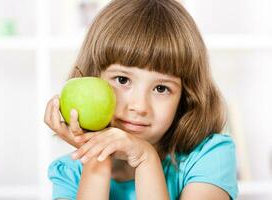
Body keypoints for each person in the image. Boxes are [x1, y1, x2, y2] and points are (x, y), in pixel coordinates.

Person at [44, 0, 238, 199]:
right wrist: (97, 156)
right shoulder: (68, 172)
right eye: (122, 79)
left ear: (186, 96)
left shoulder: (211, 156)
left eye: (161, 88)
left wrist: (146, 158)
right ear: (93, 78)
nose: (139, 106)